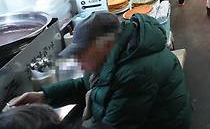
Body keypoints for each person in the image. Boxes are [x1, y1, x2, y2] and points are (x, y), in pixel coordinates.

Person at [7, 13, 191, 128]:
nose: (79, 62)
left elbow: (114, 125)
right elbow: (85, 83)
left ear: (104, 45)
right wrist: (43, 96)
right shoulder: (114, 55)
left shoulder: (137, 71)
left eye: (82, 53)